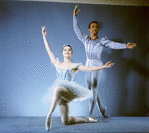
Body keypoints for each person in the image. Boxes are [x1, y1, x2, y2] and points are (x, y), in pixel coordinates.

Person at [41, 26, 115, 131]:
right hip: (60, 96)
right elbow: (49, 51)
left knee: (57, 88)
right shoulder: (58, 64)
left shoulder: (75, 65)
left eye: (69, 50)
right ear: (62, 53)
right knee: (66, 121)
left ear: (71, 53)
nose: (67, 51)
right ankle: (86, 119)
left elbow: (89, 68)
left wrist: (103, 66)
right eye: (65, 50)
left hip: (69, 91)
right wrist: (44, 36)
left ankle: (49, 115)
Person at [73, 5, 137, 118]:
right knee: (90, 90)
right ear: (89, 29)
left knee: (93, 90)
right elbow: (77, 30)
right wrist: (74, 17)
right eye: (93, 27)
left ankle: (90, 115)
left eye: (97, 27)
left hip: (97, 65)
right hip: (88, 64)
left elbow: (113, 45)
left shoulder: (102, 40)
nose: (95, 28)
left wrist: (126, 45)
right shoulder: (86, 39)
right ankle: (102, 110)